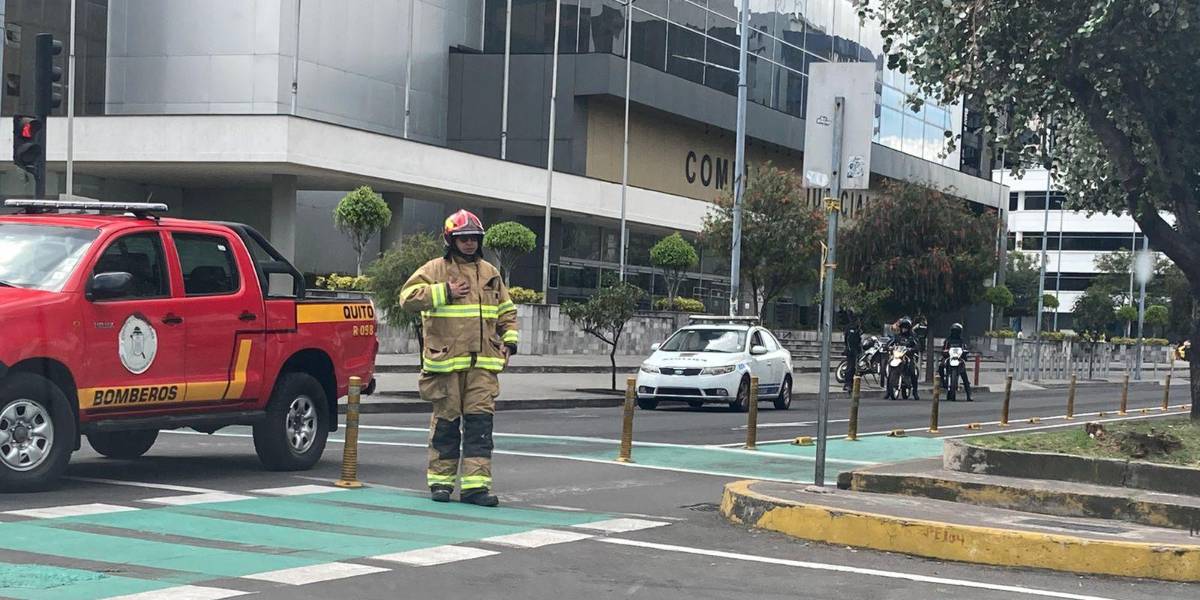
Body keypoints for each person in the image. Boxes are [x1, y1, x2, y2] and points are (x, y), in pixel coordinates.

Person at [400, 210, 519, 507]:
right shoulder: (435, 269)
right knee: (446, 426)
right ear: (451, 240)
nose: (469, 243)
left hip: (483, 366)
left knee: (480, 427)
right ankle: (441, 483)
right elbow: (407, 298)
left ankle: (475, 488)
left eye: (474, 238)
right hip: (446, 365)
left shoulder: (490, 273)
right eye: (463, 238)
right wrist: (445, 291)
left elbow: (506, 312)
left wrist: (509, 342)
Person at [885, 316, 921, 400]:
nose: (904, 329)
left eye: (906, 327)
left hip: (909, 356)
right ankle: (888, 392)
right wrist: (888, 347)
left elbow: (917, 345)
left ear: (909, 328)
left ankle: (915, 392)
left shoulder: (912, 337)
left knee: (912, 372)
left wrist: (913, 349)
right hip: (898, 355)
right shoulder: (897, 336)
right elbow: (890, 342)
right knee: (890, 370)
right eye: (903, 327)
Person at [939, 323, 973, 402]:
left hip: (959, 359)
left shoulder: (962, 341)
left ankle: (969, 394)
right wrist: (945, 351)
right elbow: (944, 348)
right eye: (954, 331)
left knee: (964, 375)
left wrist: (965, 352)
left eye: (957, 331)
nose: (955, 333)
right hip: (949, 358)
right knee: (941, 366)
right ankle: (942, 381)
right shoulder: (948, 340)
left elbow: (965, 348)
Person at [842, 312, 862, 392]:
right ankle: (847, 384)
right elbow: (848, 340)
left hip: (855, 351)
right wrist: (850, 349)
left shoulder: (857, 329)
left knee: (854, 368)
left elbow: (858, 340)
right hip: (851, 351)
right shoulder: (850, 328)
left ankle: (852, 384)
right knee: (850, 368)